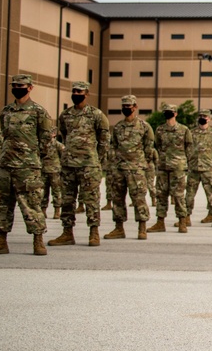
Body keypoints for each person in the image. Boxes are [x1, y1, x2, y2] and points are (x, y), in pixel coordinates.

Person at [0, 74, 53, 256]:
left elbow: (45, 140)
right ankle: (0, 241)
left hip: (27, 168)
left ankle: (38, 241)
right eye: (15, 85)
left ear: (30, 88)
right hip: (5, 166)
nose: (17, 88)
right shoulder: (6, 111)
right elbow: (5, 135)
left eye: (21, 85)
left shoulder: (38, 111)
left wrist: (31, 158)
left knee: (31, 205)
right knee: (2, 204)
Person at [50, 81, 110, 247]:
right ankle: (67, 232)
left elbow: (104, 140)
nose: (76, 94)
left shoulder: (96, 115)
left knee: (91, 200)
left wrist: (97, 160)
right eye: (74, 91)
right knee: (67, 200)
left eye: (80, 91)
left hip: (89, 165)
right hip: (69, 164)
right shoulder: (65, 115)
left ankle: (93, 232)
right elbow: (63, 135)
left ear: (87, 93)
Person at [105, 95, 155, 240]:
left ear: (135, 107)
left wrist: (142, 164)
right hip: (119, 169)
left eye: (129, 106)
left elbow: (149, 148)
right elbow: (113, 146)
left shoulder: (144, 127)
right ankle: (119, 228)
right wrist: (114, 164)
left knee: (139, 199)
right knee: (118, 199)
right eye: (124, 106)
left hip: (136, 169)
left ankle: (142, 228)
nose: (126, 108)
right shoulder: (118, 127)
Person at [150, 103, 193, 234]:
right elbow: (157, 145)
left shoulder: (184, 130)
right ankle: (160, 222)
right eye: (166, 112)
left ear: (176, 114)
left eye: (170, 112)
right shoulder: (159, 130)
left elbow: (189, 148)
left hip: (178, 167)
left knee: (179, 195)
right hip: (163, 167)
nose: (168, 114)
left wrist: (186, 164)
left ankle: (182, 221)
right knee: (161, 194)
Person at [185, 109, 212, 228]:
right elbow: (186, 147)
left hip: (208, 168)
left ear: (209, 119)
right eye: (201, 116)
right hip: (194, 168)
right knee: (189, 194)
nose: (203, 118)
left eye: (205, 116)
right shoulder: (191, 133)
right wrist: (189, 159)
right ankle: (186, 217)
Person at [40, 129, 64, 220]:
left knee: (56, 192)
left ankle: (57, 211)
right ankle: (43, 210)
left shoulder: (57, 144)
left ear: (54, 134)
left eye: (51, 133)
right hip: (43, 171)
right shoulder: (42, 144)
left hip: (54, 171)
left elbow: (63, 155)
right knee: (43, 192)